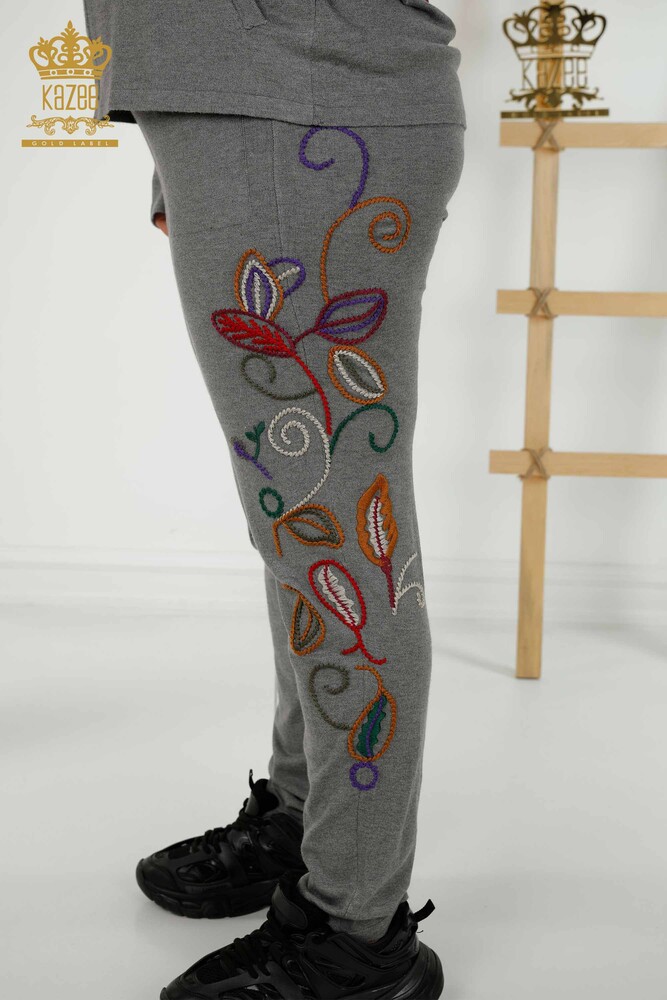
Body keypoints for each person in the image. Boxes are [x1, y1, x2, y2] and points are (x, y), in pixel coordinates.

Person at [84, 1, 466, 996]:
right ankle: (308, 817)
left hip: (293, 100)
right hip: (245, 101)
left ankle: (356, 929)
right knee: (298, 522)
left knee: (335, 532)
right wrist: (170, 140)